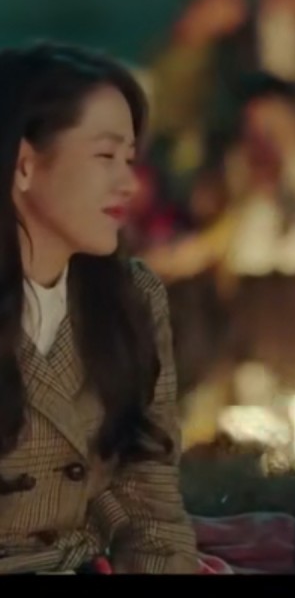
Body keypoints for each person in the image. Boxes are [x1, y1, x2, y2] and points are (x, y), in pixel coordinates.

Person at [0, 41, 198, 573]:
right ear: (24, 164)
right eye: (105, 156)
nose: (129, 183)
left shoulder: (130, 296)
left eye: (130, 159)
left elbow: (144, 485)